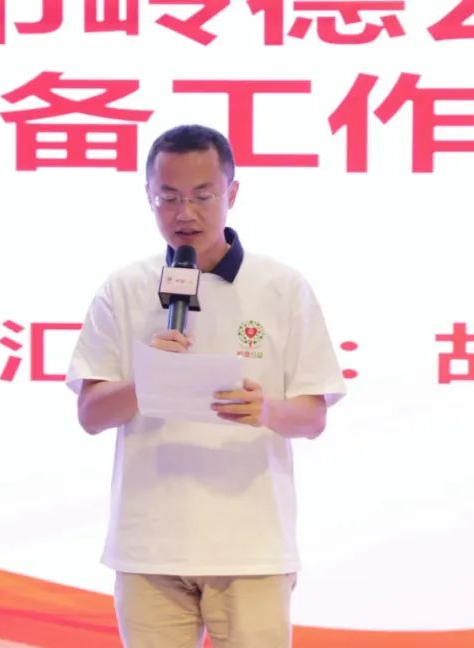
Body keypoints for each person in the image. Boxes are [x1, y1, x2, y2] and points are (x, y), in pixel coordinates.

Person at [65, 124, 346, 648]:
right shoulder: (123, 288)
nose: (184, 213)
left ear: (231, 193)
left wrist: (267, 411)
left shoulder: (282, 287)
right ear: (148, 196)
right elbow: (90, 414)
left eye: (202, 196)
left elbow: (313, 416)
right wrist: (147, 379)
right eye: (168, 197)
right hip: (149, 548)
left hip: (251, 549)